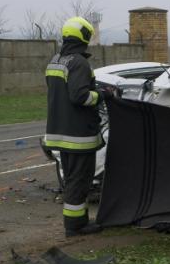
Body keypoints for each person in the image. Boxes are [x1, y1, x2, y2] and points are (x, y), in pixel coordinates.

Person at [44, 17, 116, 237]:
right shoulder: (79, 63)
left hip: (59, 132)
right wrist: (102, 95)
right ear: (84, 37)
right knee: (79, 180)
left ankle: (77, 221)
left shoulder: (56, 60)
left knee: (72, 179)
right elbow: (79, 97)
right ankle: (76, 226)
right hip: (77, 135)